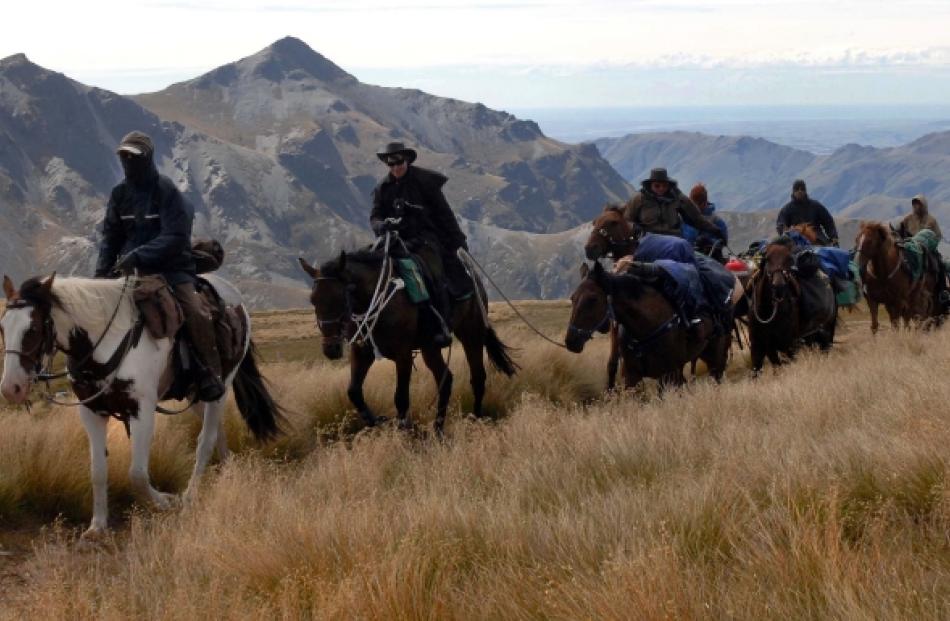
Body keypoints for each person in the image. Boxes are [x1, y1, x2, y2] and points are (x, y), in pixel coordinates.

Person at [95, 131, 224, 402]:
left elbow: (175, 237)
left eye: (134, 156)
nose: (128, 161)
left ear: (147, 157)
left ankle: (208, 372)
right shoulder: (119, 195)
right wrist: (101, 275)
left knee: (194, 311)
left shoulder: (166, 190)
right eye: (124, 156)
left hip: (172, 269)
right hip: (131, 272)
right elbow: (110, 237)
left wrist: (139, 255)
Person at [370, 142, 472, 347]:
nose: (396, 167)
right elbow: (375, 216)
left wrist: (458, 240)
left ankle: (439, 325)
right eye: (391, 164)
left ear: (406, 160)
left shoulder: (425, 182)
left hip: (426, 239)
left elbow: (444, 213)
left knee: (432, 273)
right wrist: (381, 225)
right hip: (395, 241)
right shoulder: (382, 188)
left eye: (399, 162)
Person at [623, 168, 724, 240]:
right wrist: (635, 228)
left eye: (664, 185)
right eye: (657, 186)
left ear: (669, 185)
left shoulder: (678, 198)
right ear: (650, 185)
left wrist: (715, 230)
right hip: (648, 239)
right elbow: (626, 220)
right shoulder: (638, 199)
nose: (661, 188)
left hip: (673, 239)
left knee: (685, 250)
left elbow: (697, 219)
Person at [775, 179, 839, 246]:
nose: (800, 191)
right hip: (796, 240)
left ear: (805, 191)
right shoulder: (787, 209)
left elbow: (828, 221)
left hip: (818, 238)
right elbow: (781, 224)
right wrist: (785, 232)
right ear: (793, 192)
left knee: (829, 253)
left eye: (802, 189)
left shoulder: (816, 206)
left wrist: (833, 237)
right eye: (797, 189)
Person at [682, 183, 729, 262]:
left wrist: (708, 242)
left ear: (704, 203)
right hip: (688, 258)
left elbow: (723, 242)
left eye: (696, 205)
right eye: (692, 204)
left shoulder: (717, 222)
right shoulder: (684, 219)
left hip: (711, 260)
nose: (693, 208)